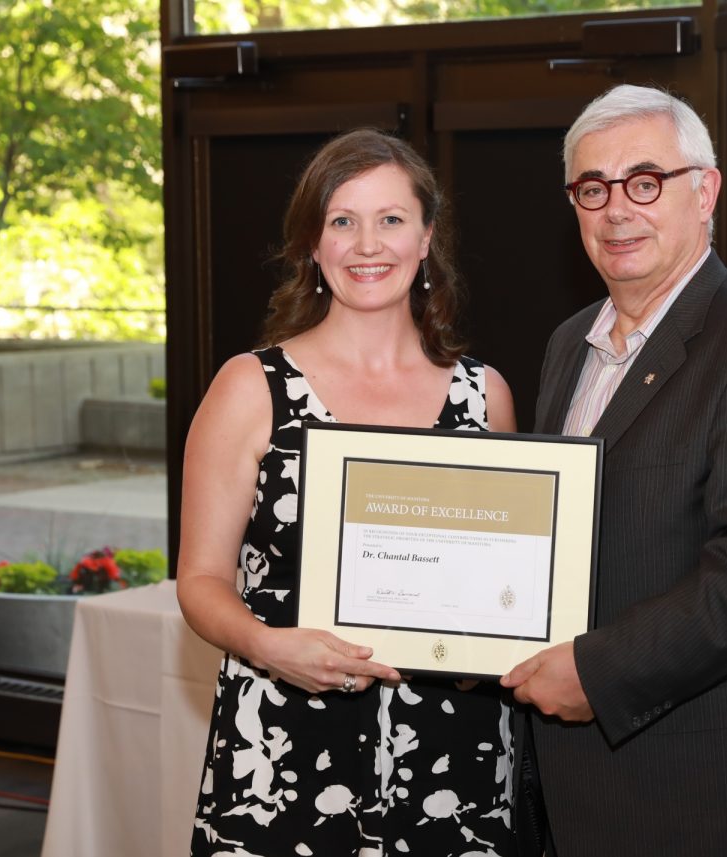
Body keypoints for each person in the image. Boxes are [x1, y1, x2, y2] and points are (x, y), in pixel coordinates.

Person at [500, 85, 727, 855]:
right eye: (592, 188)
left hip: (711, 796)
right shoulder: (570, 344)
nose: (616, 209)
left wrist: (597, 671)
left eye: (645, 180)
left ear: (706, 191)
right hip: (573, 789)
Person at [178, 128, 522, 857]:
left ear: (427, 237)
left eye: (391, 219)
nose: (368, 244)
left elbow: (506, 584)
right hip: (284, 742)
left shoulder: (484, 397)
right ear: (312, 242)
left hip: (453, 752)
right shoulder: (252, 388)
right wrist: (269, 646)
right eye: (342, 220)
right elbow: (200, 581)